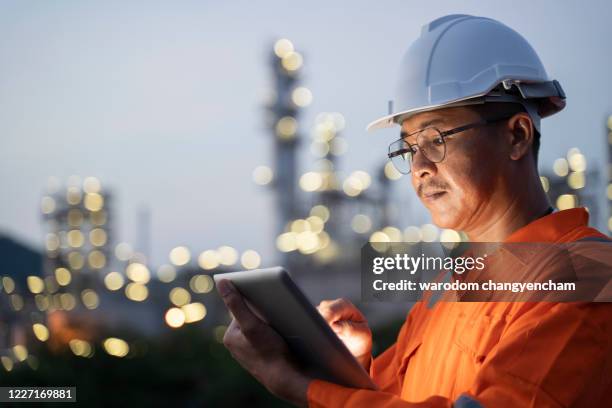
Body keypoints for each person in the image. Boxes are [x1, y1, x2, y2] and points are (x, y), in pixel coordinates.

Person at [216, 15, 612, 407]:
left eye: (436, 138)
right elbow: (398, 397)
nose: (420, 167)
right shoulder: (450, 286)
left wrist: (303, 388)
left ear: (517, 136)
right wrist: (346, 367)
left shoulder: (588, 274)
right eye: (408, 147)